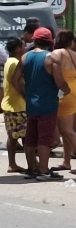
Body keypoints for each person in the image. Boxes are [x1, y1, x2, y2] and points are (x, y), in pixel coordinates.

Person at [12, 27, 69, 181]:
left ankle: (32, 168)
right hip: (47, 104)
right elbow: (60, 82)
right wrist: (67, 90)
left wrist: (25, 94)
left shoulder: (25, 57)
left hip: (31, 104)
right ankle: (43, 171)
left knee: (30, 138)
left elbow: (15, 79)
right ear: (50, 41)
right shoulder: (51, 58)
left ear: (35, 40)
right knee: (44, 139)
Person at [52, 30, 76, 174]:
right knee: (67, 129)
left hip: (65, 91)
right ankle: (66, 161)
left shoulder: (57, 54)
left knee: (66, 130)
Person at [2, 38, 27, 173]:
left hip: (10, 104)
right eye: (22, 46)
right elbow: (16, 82)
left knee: (13, 136)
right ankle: (33, 164)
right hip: (17, 106)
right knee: (25, 136)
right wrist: (25, 96)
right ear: (17, 48)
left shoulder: (9, 61)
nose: (25, 48)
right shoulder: (16, 63)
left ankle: (13, 164)